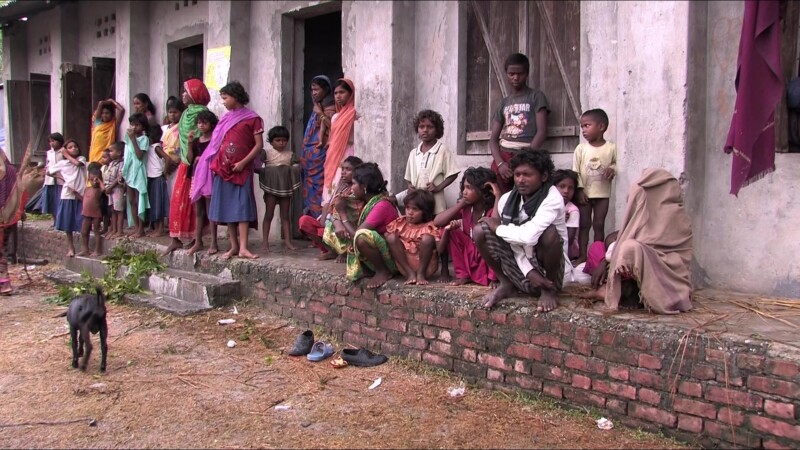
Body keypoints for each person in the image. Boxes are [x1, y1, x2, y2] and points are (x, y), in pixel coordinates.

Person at [582, 169, 693, 314]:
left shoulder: (674, 217)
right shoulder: (644, 213)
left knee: (630, 249)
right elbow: (618, 237)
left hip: (664, 277)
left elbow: (635, 247)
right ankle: (612, 289)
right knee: (597, 248)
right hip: (634, 267)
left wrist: (610, 259)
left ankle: (633, 294)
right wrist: (605, 261)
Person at [474, 149, 570, 311]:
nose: (520, 180)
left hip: (551, 273)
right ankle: (506, 283)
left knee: (549, 233)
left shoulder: (552, 198)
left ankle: (549, 291)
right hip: (520, 267)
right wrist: (528, 271)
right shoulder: (507, 200)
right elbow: (514, 241)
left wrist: (498, 227)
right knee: (480, 231)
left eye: (527, 175)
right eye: (517, 175)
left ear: (544, 177)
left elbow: (528, 236)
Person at [192, 81, 263, 260]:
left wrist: (243, 162)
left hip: (241, 169)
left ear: (236, 97)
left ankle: (244, 248)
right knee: (228, 207)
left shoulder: (252, 118)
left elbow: (258, 145)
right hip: (223, 169)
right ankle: (234, 246)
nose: (223, 102)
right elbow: (216, 144)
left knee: (242, 207)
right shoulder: (224, 119)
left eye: (225, 98)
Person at [488, 53, 550, 194]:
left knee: (525, 191)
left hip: (527, 152)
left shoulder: (536, 96)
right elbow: (493, 139)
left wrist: (524, 159)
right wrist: (500, 163)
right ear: (507, 74)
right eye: (511, 74)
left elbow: (541, 133)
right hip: (504, 155)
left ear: (527, 74)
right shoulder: (504, 102)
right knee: (498, 193)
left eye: (520, 73)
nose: (515, 77)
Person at [164, 79, 210, 256]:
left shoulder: (202, 115)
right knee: (178, 201)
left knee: (195, 204)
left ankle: (196, 239)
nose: (183, 95)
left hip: (197, 164)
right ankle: (175, 238)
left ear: (194, 95)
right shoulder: (185, 114)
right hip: (185, 162)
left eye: (186, 92)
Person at [338, 163, 399, 288]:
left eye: (354, 184)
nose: (351, 188)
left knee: (362, 238)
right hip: (384, 248)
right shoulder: (370, 201)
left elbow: (357, 235)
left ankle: (383, 271)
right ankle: (371, 268)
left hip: (394, 257)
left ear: (364, 187)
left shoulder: (381, 205)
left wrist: (343, 215)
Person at [434, 167, 498, 286]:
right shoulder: (467, 208)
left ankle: (494, 277)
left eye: (469, 188)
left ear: (483, 190)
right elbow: (437, 221)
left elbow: (496, 226)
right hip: (472, 253)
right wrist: (462, 203)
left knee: (490, 235)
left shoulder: (492, 210)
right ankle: (463, 275)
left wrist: (497, 193)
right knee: (451, 230)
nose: (464, 192)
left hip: (487, 256)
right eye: (464, 187)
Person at [572, 108, 616, 266]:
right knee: (584, 225)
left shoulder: (611, 148)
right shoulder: (581, 149)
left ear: (601, 127)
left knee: (599, 224)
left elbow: (617, 164)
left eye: (587, 125)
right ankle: (583, 255)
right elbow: (576, 171)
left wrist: (613, 169)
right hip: (585, 194)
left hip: (603, 194)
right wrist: (579, 189)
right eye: (582, 126)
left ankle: (598, 256)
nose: (583, 130)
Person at [298, 156, 363, 261]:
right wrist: (328, 217)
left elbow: (350, 214)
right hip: (332, 223)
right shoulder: (340, 186)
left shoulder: (358, 190)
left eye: (348, 169)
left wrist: (336, 220)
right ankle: (331, 251)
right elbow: (328, 210)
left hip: (348, 226)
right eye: (343, 169)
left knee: (344, 225)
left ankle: (345, 251)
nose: (343, 172)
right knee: (304, 221)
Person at [397, 110, 459, 215]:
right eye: (421, 127)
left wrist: (438, 187)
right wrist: (409, 186)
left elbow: (453, 173)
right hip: (417, 203)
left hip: (436, 203)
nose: (425, 130)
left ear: (437, 130)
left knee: (433, 227)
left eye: (430, 127)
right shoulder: (414, 153)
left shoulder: (442, 150)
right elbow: (408, 177)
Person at [0, 145, 37, 294]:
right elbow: (20, 191)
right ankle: (4, 282)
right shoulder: (11, 171)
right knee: (3, 250)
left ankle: (4, 283)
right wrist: (19, 211)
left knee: (1, 251)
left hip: (4, 217)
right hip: (9, 216)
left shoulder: (6, 173)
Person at [386, 190, 442, 286]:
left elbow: (439, 246)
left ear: (424, 212)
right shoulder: (400, 223)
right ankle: (410, 273)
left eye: (415, 209)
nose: (410, 212)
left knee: (427, 239)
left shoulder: (429, 226)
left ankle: (421, 274)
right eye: (407, 208)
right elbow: (388, 237)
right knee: (391, 237)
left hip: (427, 267)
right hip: (405, 266)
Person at [259, 126, 301, 253]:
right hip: (271, 188)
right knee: (269, 214)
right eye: (277, 140)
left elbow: (296, 166)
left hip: (285, 188)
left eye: (284, 140)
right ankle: (265, 242)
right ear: (271, 142)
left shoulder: (290, 154)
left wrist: (295, 167)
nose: (281, 143)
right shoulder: (266, 153)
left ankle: (288, 242)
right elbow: (257, 166)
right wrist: (269, 171)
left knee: (285, 216)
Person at [300, 75, 336, 216]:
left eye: (316, 89)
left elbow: (334, 127)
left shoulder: (330, 107)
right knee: (309, 189)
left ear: (326, 89)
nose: (314, 93)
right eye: (312, 90)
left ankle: (318, 221)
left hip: (320, 156)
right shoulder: (318, 105)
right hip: (310, 159)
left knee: (320, 188)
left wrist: (320, 113)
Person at [186, 110, 219, 255]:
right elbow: (189, 158)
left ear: (211, 124)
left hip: (210, 177)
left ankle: (214, 242)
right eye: (199, 123)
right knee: (198, 211)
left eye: (204, 123)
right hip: (197, 177)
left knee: (210, 211)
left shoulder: (215, 140)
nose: (201, 125)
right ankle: (198, 241)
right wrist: (188, 144)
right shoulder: (196, 141)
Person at [323, 78, 357, 205]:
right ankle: (329, 220)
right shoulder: (335, 118)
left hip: (349, 154)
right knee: (332, 188)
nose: (338, 96)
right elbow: (333, 140)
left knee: (344, 188)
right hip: (335, 157)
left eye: (342, 92)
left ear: (351, 93)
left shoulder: (355, 115)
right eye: (336, 93)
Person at [51, 140, 87, 257]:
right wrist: (62, 178)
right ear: (66, 150)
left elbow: (78, 165)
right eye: (70, 147)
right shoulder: (62, 163)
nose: (74, 149)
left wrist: (66, 154)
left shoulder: (81, 159)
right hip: (67, 195)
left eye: (75, 146)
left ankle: (84, 247)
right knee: (68, 223)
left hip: (80, 194)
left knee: (83, 223)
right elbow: (48, 172)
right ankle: (71, 248)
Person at [122, 113, 151, 238]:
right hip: (129, 172)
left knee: (140, 200)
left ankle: (141, 228)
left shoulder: (144, 139)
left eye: (137, 125)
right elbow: (127, 157)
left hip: (139, 172)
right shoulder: (127, 140)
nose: (134, 127)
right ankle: (135, 226)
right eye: (132, 124)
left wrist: (133, 139)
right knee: (131, 200)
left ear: (143, 127)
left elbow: (139, 156)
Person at [145, 125, 169, 237]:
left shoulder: (156, 147)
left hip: (158, 177)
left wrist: (164, 171)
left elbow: (167, 158)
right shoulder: (149, 147)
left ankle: (160, 229)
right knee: (154, 204)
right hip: (151, 177)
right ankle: (156, 228)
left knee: (159, 204)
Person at [552, 169, 581, 261]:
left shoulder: (572, 210)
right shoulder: (547, 206)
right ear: (553, 188)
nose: (566, 191)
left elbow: (569, 240)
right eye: (562, 186)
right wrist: (558, 219)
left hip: (566, 252)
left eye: (570, 188)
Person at [77, 162, 104, 256]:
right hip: (86, 213)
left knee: (96, 231)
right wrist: (75, 194)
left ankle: (97, 250)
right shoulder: (87, 189)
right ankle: (85, 249)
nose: (94, 182)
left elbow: (104, 189)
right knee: (84, 231)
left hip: (96, 213)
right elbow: (83, 199)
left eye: (96, 180)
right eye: (92, 180)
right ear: (89, 179)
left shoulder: (99, 190)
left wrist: (100, 181)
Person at [161, 96, 186, 194]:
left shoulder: (183, 128)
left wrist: (175, 161)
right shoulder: (163, 128)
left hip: (177, 165)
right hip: (164, 165)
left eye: (175, 112)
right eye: (170, 112)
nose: (172, 115)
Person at [89, 99, 125, 163]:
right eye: (102, 113)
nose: (104, 115)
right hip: (94, 155)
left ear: (111, 114)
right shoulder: (97, 123)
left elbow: (121, 110)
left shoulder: (113, 125)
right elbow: (100, 103)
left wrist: (112, 101)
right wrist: (103, 102)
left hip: (106, 157)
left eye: (107, 113)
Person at [41, 132, 65, 227]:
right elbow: (48, 163)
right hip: (49, 180)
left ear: (59, 141)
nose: (52, 143)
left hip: (60, 179)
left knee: (60, 200)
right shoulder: (49, 153)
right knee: (52, 202)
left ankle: (61, 221)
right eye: (50, 141)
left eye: (54, 141)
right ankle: (54, 220)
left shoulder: (63, 152)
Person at [103, 142, 125, 240]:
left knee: (118, 210)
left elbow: (119, 178)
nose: (110, 153)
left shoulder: (121, 163)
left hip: (117, 189)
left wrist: (110, 187)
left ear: (119, 152)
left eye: (112, 151)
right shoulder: (111, 163)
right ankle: (114, 229)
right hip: (110, 189)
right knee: (113, 210)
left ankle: (119, 231)